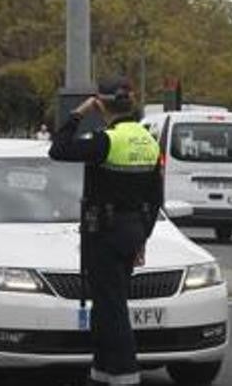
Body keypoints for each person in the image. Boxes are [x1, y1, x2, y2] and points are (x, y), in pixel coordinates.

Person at [49, 77, 162, 386]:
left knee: (112, 309)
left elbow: (58, 149)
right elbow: (156, 198)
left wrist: (77, 114)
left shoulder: (106, 141)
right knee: (105, 304)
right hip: (132, 231)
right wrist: (142, 235)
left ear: (101, 103)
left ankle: (125, 375)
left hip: (105, 233)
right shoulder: (149, 141)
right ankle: (101, 373)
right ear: (131, 103)